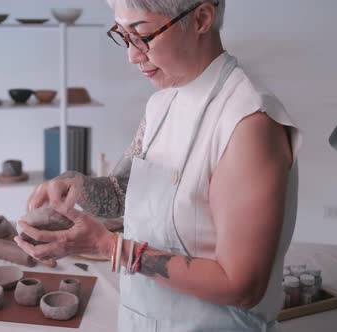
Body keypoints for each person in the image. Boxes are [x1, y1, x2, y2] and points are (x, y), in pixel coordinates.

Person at [15, 0, 302, 331]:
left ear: (201, 19)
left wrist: (107, 246)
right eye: (123, 36)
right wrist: (76, 185)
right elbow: (126, 190)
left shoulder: (248, 123)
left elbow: (242, 287)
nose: (132, 55)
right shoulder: (162, 103)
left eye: (143, 35)